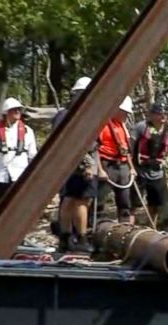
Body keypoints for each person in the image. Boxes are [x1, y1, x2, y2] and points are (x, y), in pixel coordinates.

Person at [53, 77, 98, 252]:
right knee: (77, 200)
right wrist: (86, 164)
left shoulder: (88, 115)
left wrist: (96, 166)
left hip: (79, 162)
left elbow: (95, 145)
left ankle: (69, 238)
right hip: (73, 163)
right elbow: (69, 141)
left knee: (76, 200)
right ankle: (78, 238)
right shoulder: (66, 115)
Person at [96, 96, 137, 224]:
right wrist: (100, 169)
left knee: (125, 201)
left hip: (122, 165)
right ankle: (96, 227)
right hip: (107, 164)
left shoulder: (122, 126)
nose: (126, 115)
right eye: (124, 112)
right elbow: (94, 148)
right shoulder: (102, 124)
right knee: (100, 200)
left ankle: (125, 227)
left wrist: (131, 168)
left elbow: (126, 149)